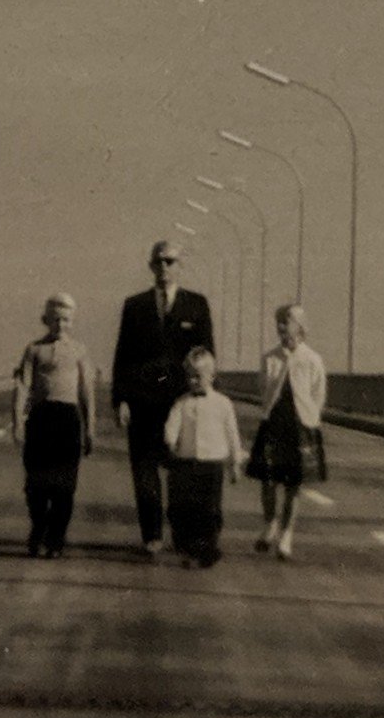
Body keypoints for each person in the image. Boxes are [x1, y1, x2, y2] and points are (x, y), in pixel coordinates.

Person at [110, 237, 215, 557]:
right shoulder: (135, 305)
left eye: (170, 261)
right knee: (144, 471)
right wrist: (120, 400)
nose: (164, 267)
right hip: (142, 402)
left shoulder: (196, 304)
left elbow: (207, 355)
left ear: (180, 266)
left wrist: (209, 398)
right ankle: (152, 534)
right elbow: (122, 356)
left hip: (182, 403)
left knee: (182, 473)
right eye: (159, 261)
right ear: (150, 266)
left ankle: (182, 531)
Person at [11, 292, 96, 558]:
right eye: (56, 319)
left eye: (66, 320)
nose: (61, 324)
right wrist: (17, 422)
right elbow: (23, 386)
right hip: (40, 418)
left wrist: (90, 428)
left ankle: (56, 539)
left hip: (68, 419)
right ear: (46, 319)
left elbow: (86, 391)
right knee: (35, 483)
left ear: (72, 322)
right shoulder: (34, 349)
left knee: (64, 485)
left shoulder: (80, 351)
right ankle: (38, 528)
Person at [246, 302, 328, 559]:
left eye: (287, 321)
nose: (281, 327)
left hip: (300, 424)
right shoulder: (269, 358)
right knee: (268, 480)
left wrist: (309, 419)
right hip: (274, 424)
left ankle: (286, 534)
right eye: (279, 322)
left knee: (294, 484)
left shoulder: (312, 359)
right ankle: (270, 523)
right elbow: (263, 389)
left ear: (301, 327)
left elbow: (318, 393)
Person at [162, 348, 240, 566]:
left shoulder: (223, 404)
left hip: (213, 464)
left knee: (210, 509)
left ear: (212, 377)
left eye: (199, 376)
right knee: (185, 508)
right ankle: (188, 547)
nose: (193, 381)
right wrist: (170, 439)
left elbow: (232, 434)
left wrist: (235, 463)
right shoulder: (182, 402)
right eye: (190, 376)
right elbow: (173, 424)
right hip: (186, 462)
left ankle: (209, 548)